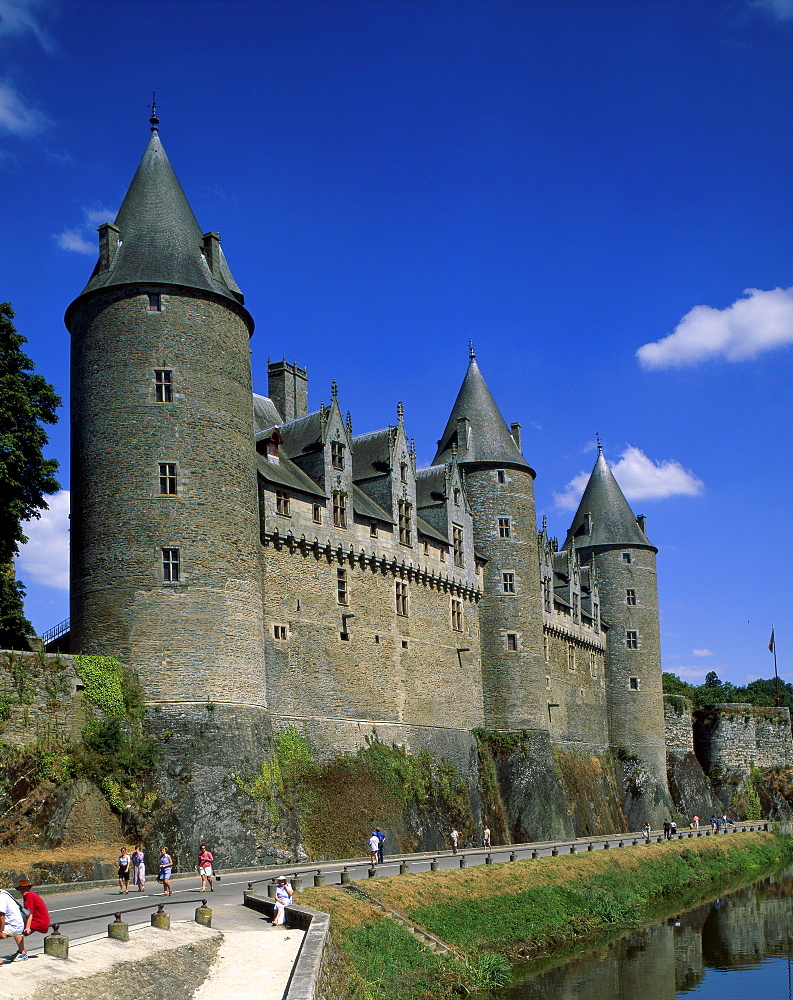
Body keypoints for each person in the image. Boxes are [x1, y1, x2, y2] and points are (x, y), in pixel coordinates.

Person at [0, 887, 27, 960]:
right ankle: (22, 952)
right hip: (18, 924)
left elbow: (1, 916)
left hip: (13, 926)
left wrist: (1, 931)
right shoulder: (4, 893)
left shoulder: (1, 897)